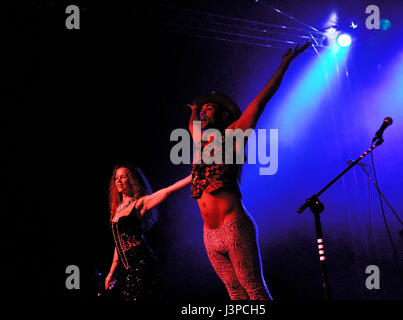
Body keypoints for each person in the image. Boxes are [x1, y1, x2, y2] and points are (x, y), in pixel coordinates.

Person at [187, 42, 312, 300]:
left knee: (255, 291)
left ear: (223, 116)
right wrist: (193, 112)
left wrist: (284, 65)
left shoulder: (235, 134)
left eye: (210, 108)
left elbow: (261, 100)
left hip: (234, 226)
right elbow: (193, 127)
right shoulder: (201, 143)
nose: (204, 112)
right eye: (203, 110)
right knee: (235, 293)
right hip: (208, 234)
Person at [105, 165, 191, 301]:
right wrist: (111, 273)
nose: (119, 181)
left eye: (123, 177)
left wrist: (193, 177)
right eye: (116, 178)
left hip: (142, 262)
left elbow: (168, 190)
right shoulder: (116, 210)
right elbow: (118, 242)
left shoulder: (140, 203)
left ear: (131, 179)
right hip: (126, 268)